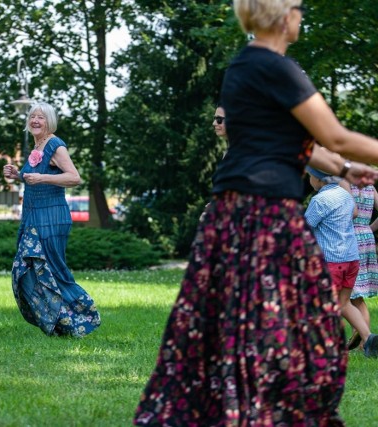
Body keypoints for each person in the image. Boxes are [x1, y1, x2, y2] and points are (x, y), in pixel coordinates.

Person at [134, 1, 378, 425]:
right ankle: (264, 411)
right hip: (265, 215)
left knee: (240, 319)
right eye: (298, 8)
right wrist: (350, 154)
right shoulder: (278, 67)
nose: (301, 15)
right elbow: (335, 134)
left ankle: (239, 408)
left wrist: (343, 168)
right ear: (284, 15)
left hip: (233, 212)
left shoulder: (243, 66)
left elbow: (292, 140)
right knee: (299, 324)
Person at [3, 102, 101, 337]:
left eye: (41, 117)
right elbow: (35, 179)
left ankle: (85, 316)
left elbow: (74, 178)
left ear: (50, 122)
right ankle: (60, 322)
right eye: (32, 116)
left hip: (51, 217)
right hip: (33, 216)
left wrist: (42, 178)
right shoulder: (38, 146)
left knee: (53, 271)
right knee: (27, 270)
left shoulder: (55, 145)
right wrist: (18, 176)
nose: (35, 120)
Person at [304, 166, 377, 357]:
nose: (309, 181)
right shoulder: (345, 196)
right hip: (351, 259)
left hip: (331, 261)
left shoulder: (319, 200)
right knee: (344, 302)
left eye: (310, 177)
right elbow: (353, 214)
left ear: (319, 180)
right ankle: (369, 339)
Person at [343, 182, 378, 350]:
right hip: (366, 236)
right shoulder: (370, 187)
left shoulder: (346, 185)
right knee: (353, 294)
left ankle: (365, 341)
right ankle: (358, 337)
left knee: (355, 294)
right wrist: (369, 228)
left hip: (350, 237)